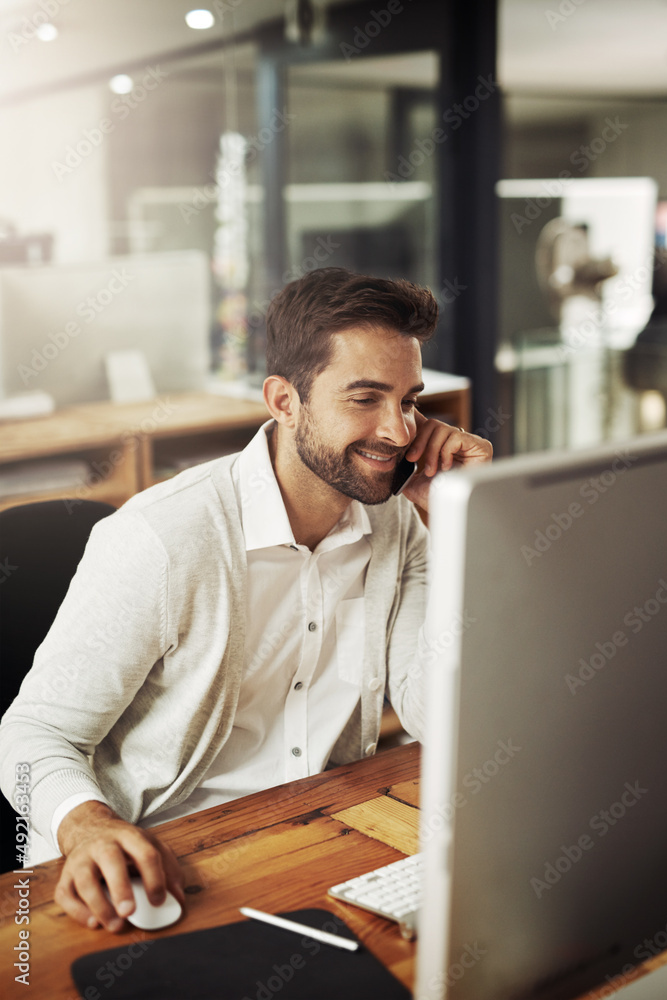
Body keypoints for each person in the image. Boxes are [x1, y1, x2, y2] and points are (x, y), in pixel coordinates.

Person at [0, 267, 492, 933]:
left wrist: (466, 527)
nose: (401, 432)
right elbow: (31, 734)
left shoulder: (399, 520)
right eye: (365, 399)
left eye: (409, 400)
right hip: (159, 856)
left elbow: (444, 716)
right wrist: (84, 826)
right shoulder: (162, 539)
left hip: (322, 829)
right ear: (284, 402)